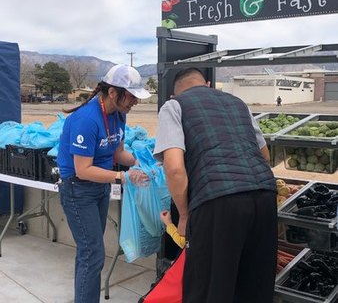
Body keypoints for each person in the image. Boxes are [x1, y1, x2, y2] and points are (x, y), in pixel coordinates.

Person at [153, 68, 277, 303]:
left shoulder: (174, 106)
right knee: (254, 289)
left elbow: (174, 167)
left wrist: (185, 215)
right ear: (207, 84)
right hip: (264, 197)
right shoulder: (238, 103)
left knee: (209, 290)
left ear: (175, 93)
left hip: (218, 202)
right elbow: (265, 156)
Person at [57, 64, 151, 303]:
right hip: (78, 189)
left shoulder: (119, 114)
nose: (135, 102)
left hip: (100, 188)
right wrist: (123, 177)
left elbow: (118, 153)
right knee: (93, 253)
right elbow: (83, 169)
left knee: (89, 252)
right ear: (113, 92)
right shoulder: (86, 120)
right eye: (131, 96)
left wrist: (143, 162)